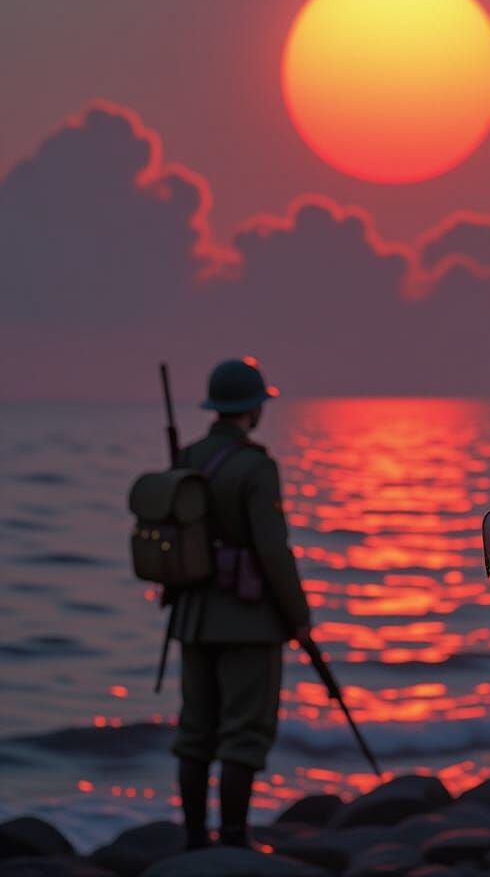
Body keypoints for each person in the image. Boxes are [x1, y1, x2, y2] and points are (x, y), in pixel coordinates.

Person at [170, 357, 313, 849]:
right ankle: (233, 840)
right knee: (244, 734)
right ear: (253, 407)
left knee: (195, 733)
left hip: (192, 616)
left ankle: (193, 839)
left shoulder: (186, 457)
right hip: (248, 619)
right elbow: (272, 550)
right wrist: (298, 617)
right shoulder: (256, 466)